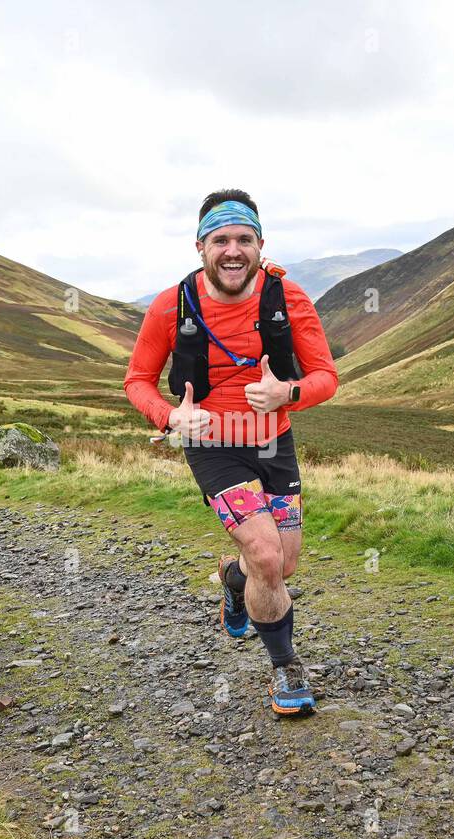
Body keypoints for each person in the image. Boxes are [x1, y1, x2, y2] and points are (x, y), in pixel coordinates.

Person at [123, 189, 339, 716]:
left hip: (273, 441)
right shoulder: (170, 306)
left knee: (282, 566)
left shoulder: (289, 298)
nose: (233, 250)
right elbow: (138, 381)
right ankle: (286, 669)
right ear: (201, 246)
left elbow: (326, 378)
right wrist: (172, 417)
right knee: (266, 554)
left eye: (244, 239)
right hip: (211, 444)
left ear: (261, 244)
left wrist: (287, 393)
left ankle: (233, 578)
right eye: (221, 239)